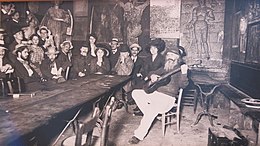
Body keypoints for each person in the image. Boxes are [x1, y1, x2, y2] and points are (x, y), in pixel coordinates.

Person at [128, 46, 189, 144]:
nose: (170, 57)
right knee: (136, 93)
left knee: (151, 110)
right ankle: (151, 114)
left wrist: (185, 73)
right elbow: (152, 73)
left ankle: (138, 135)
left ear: (178, 58)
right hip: (156, 94)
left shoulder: (180, 69)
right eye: (168, 55)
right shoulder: (165, 67)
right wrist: (151, 76)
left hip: (168, 98)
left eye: (173, 55)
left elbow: (183, 85)